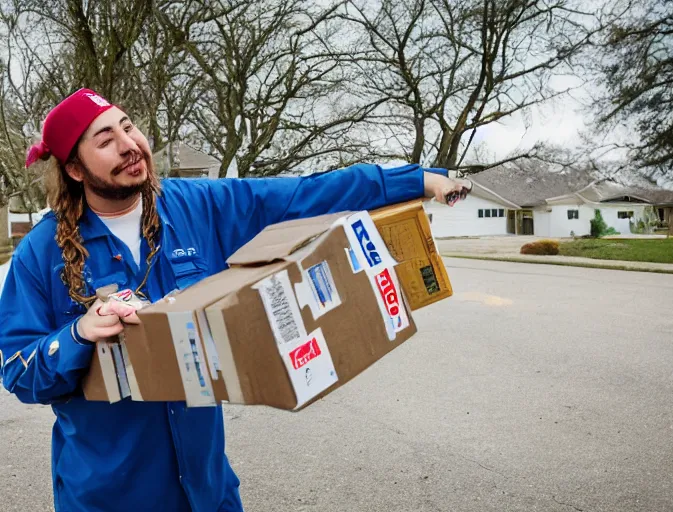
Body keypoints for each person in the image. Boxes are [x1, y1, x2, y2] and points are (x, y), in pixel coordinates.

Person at [0, 88, 466, 512]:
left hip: (207, 491)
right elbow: (18, 370)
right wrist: (80, 333)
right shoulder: (40, 255)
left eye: (128, 126)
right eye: (105, 140)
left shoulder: (198, 206)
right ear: (75, 169)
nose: (129, 144)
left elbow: (304, 194)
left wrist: (418, 180)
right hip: (107, 497)